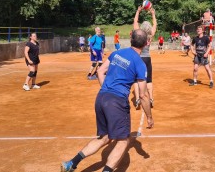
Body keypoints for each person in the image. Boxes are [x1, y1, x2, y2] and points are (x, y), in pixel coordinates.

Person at [61, 29, 154, 172]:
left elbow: (99, 71)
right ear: (147, 43)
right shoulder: (140, 63)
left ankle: (71, 164)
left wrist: (107, 89)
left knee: (104, 137)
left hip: (101, 97)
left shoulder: (116, 53)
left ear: (131, 40)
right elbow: (143, 95)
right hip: (117, 102)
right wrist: (149, 117)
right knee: (123, 141)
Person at [133, 6, 157, 109]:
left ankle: (138, 99)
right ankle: (151, 99)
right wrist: (153, 14)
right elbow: (155, 24)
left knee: (136, 80)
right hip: (147, 58)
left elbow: (135, 21)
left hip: (138, 59)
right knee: (149, 80)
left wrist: (138, 11)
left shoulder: (139, 33)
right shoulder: (150, 35)